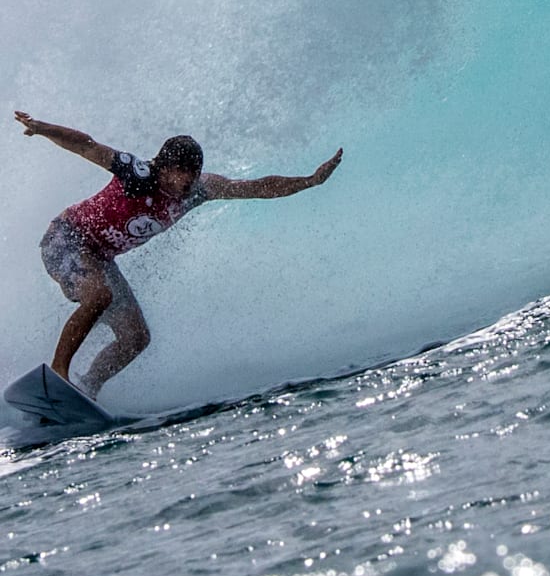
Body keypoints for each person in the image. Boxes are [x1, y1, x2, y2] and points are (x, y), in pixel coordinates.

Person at [14, 110, 343, 400]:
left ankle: (87, 387)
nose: (187, 179)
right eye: (180, 170)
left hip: (100, 257)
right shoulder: (136, 174)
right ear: (163, 166)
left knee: (135, 338)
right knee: (99, 296)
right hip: (65, 239)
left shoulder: (198, 190)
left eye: (193, 171)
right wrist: (43, 128)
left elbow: (254, 187)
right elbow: (86, 144)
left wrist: (310, 182)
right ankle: (58, 373)